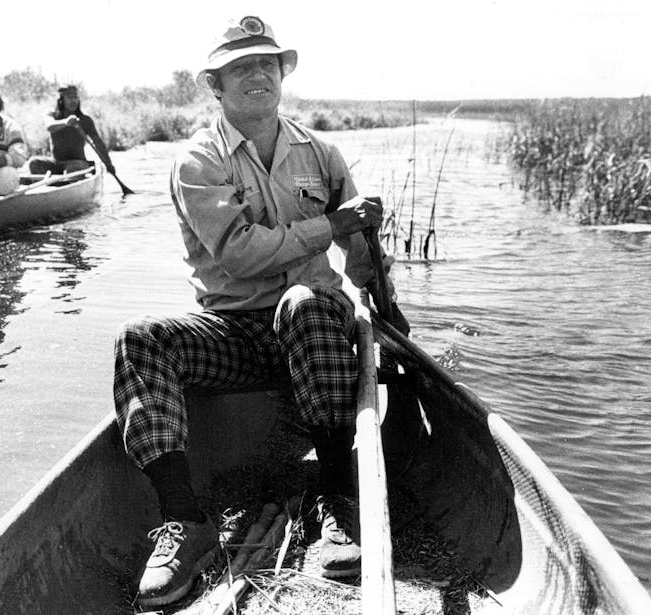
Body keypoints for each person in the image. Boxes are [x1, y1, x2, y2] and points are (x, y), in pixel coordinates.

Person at [113, 16, 404, 607]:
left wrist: (384, 303)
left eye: (266, 65)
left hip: (316, 333)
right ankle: (186, 524)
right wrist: (330, 224)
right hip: (238, 335)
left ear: (281, 78)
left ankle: (335, 497)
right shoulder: (198, 159)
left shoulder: (320, 151)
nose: (256, 76)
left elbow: (358, 252)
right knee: (141, 339)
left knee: (308, 304)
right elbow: (240, 256)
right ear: (215, 88)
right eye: (240, 68)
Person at [27, 85, 116, 176]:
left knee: (74, 167)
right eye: (69, 97)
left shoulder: (85, 120)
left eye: (75, 97)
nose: (73, 101)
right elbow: (50, 127)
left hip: (78, 163)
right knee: (34, 163)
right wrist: (66, 122)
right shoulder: (51, 115)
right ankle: (58, 182)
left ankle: (66, 182)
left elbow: (98, 143)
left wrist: (108, 164)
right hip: (56, 163)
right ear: (61, 101)